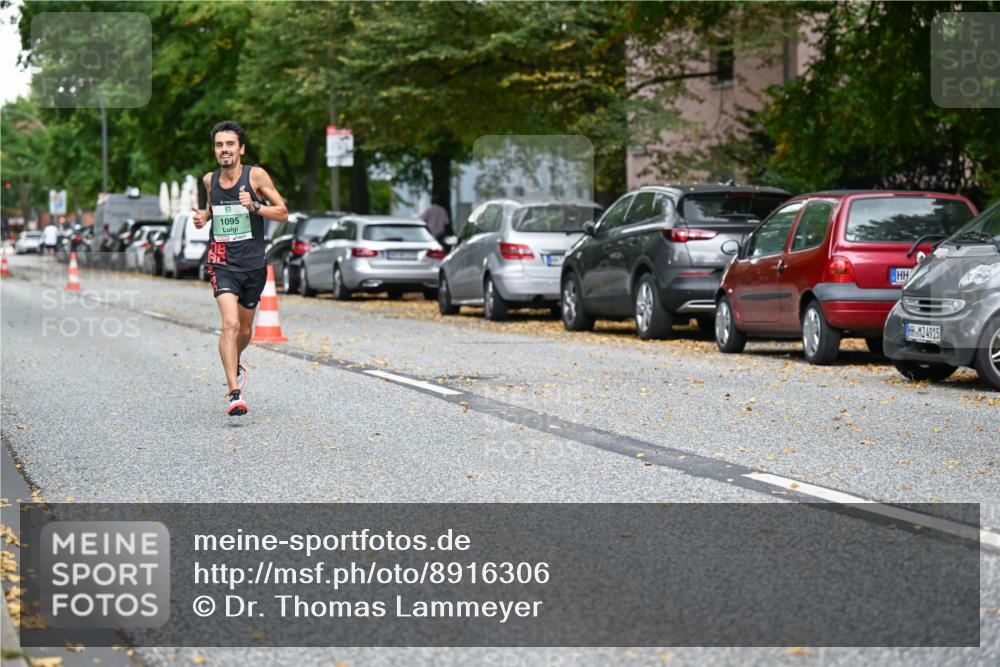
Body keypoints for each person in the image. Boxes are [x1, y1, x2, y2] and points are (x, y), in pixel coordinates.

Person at [191, 120, 288, 416]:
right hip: (221, 261)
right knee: (230, 324)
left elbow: (283, 213)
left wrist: (255, 207)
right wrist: (204, 218)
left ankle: (234, 360)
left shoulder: (255, 176)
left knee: (245, 329)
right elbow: (213, 208)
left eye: (230, 144)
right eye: (219, 145)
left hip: (253, 265)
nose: (224, 150)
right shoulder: (209, 180)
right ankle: (234, 392)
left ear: (241, 149)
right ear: (215, 150)